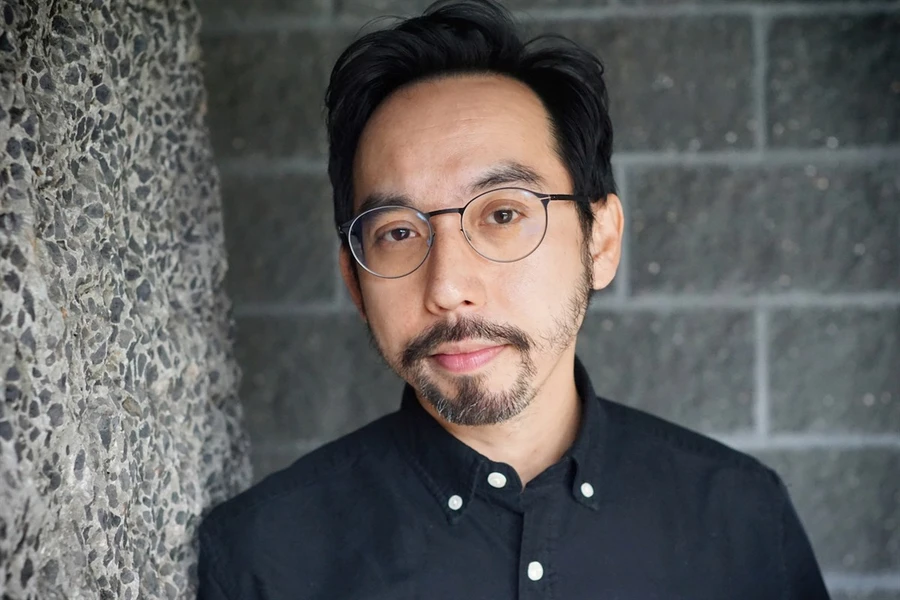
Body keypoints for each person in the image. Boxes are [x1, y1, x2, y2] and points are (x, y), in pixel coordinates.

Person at [197, 1, 830, 598]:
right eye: (397, 231)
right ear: (354, 280)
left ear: (600, 242)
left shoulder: (743, 519)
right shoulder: (265, 556)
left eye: (503, 214)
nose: (447, 287)